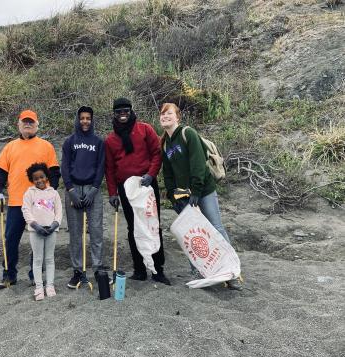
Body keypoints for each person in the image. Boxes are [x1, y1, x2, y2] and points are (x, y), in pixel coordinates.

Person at [159, 102, 243, 290]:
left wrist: (196, 191)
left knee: (216, 227)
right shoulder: (164, 144)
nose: (165, 117)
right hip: (184, 197)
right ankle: (199, 271)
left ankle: (232, 273)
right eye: (162, 115)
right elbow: (168, 174)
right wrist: (174, 197)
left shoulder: (187, 134)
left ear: (177, 117)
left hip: (203, 191)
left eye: (169, 114)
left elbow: (198, 164)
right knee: (192, 234)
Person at [0, 110, 60, 290]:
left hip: (39, 205)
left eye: (31, 122)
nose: (28, 125)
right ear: (19, 125)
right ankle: (9, 275)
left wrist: (50, 194)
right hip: (16, 202)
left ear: (37, 125)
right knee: (10, 239)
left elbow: (53, 172)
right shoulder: (10, 147)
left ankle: (34, 276)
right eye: (25, 122)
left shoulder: (46, 146)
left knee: (37, 240)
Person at [104, 98, 171, 284]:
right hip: (126, 189)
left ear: (131, 111)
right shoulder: (110, 140)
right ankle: (140, 269)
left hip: (146, 185)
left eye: (125, 110)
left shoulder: (145, 129)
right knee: (133, 228)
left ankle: (158, 269)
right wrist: (112, 193)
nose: (122, 114)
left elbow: (157, 153)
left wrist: (151, 175)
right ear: (114, 114)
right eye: (118, 112)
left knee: (152, 225)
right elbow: (109, 169)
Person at [61, 106, 105, 288]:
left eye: (88, 118)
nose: (85, 121)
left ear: (92, 120)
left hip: (92, 189)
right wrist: (71, 191)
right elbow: (64, 166)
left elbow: (101, 166)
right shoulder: (69, 141)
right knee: (75, 233)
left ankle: (98, 269)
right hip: (73, 190)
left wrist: (94, 189)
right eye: (82, 118)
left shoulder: (98, 142)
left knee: (96, 231)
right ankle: (78, 271)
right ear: (77, 120)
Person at [21, 163, 62, 301]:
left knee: (49, 259)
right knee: (38, 259)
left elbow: (59, 211)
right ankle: (39, 287)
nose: (39, 180)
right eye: (36, 178)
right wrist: (35, 225)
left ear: (46, 177)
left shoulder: (54, 193)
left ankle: (50, 285)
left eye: (42, 177)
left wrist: (55, 224)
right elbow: (26, 210)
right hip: (35, 231)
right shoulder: (29, 193)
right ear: (32, 180)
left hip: (51, 230)